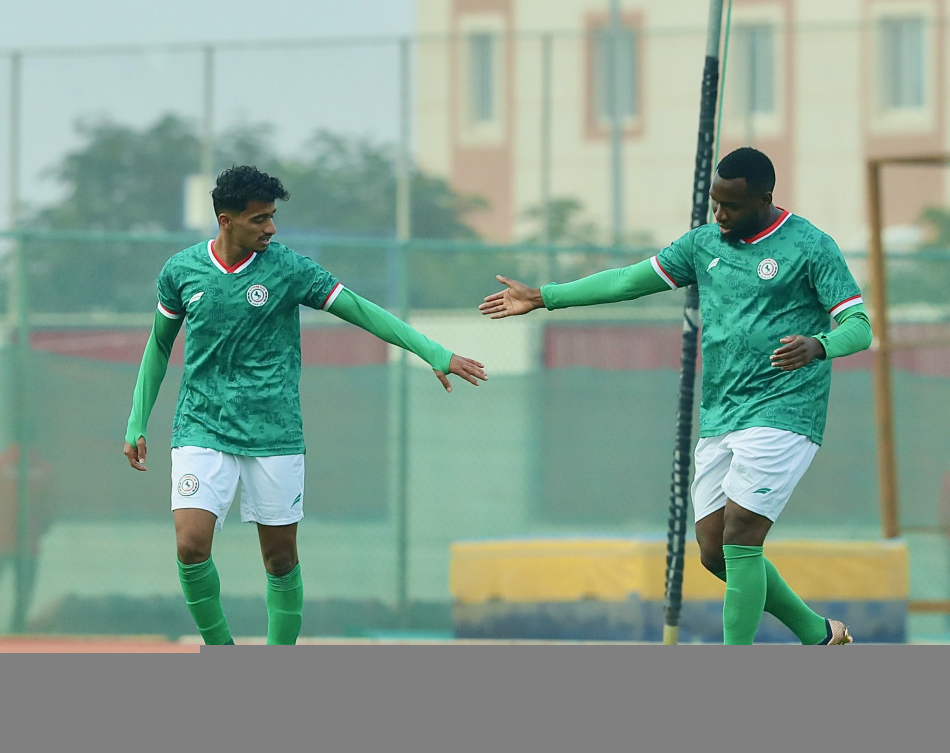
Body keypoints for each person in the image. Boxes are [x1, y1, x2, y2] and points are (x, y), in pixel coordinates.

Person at [479, 147, 871, 645]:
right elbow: (627, 281)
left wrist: (819, 345)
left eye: (731, 205)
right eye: (715, 202)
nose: (720, 214)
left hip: (786, 411)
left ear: (765, 198)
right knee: (712, 550)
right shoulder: (703, 244)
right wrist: (542, 296)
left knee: (742, 536)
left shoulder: (811, 246)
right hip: (722, 413)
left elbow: (860, 328)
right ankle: (817, 633)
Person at [124, 164, 487, 645]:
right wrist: (136, 421)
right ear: (226, 219)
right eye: (259, 219)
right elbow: (158, 346)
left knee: (279, 559)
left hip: (274, 433)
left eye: (273, 217)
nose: (271, 228)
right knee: (191, 547)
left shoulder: (289, 269)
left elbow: (361, 310)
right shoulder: (182, 271)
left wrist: (434, 352)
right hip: (201, 427)